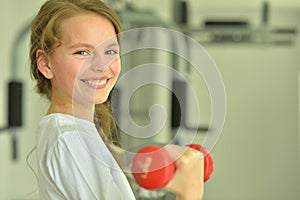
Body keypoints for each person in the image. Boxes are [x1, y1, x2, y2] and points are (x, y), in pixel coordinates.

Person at [29, 0, 205, 199]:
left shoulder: (72, 131)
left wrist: (146, 161)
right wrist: (190, 192)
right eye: (82, 52)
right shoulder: (70, 139)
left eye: (110, 51)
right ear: (46, 64)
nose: (101, 65)